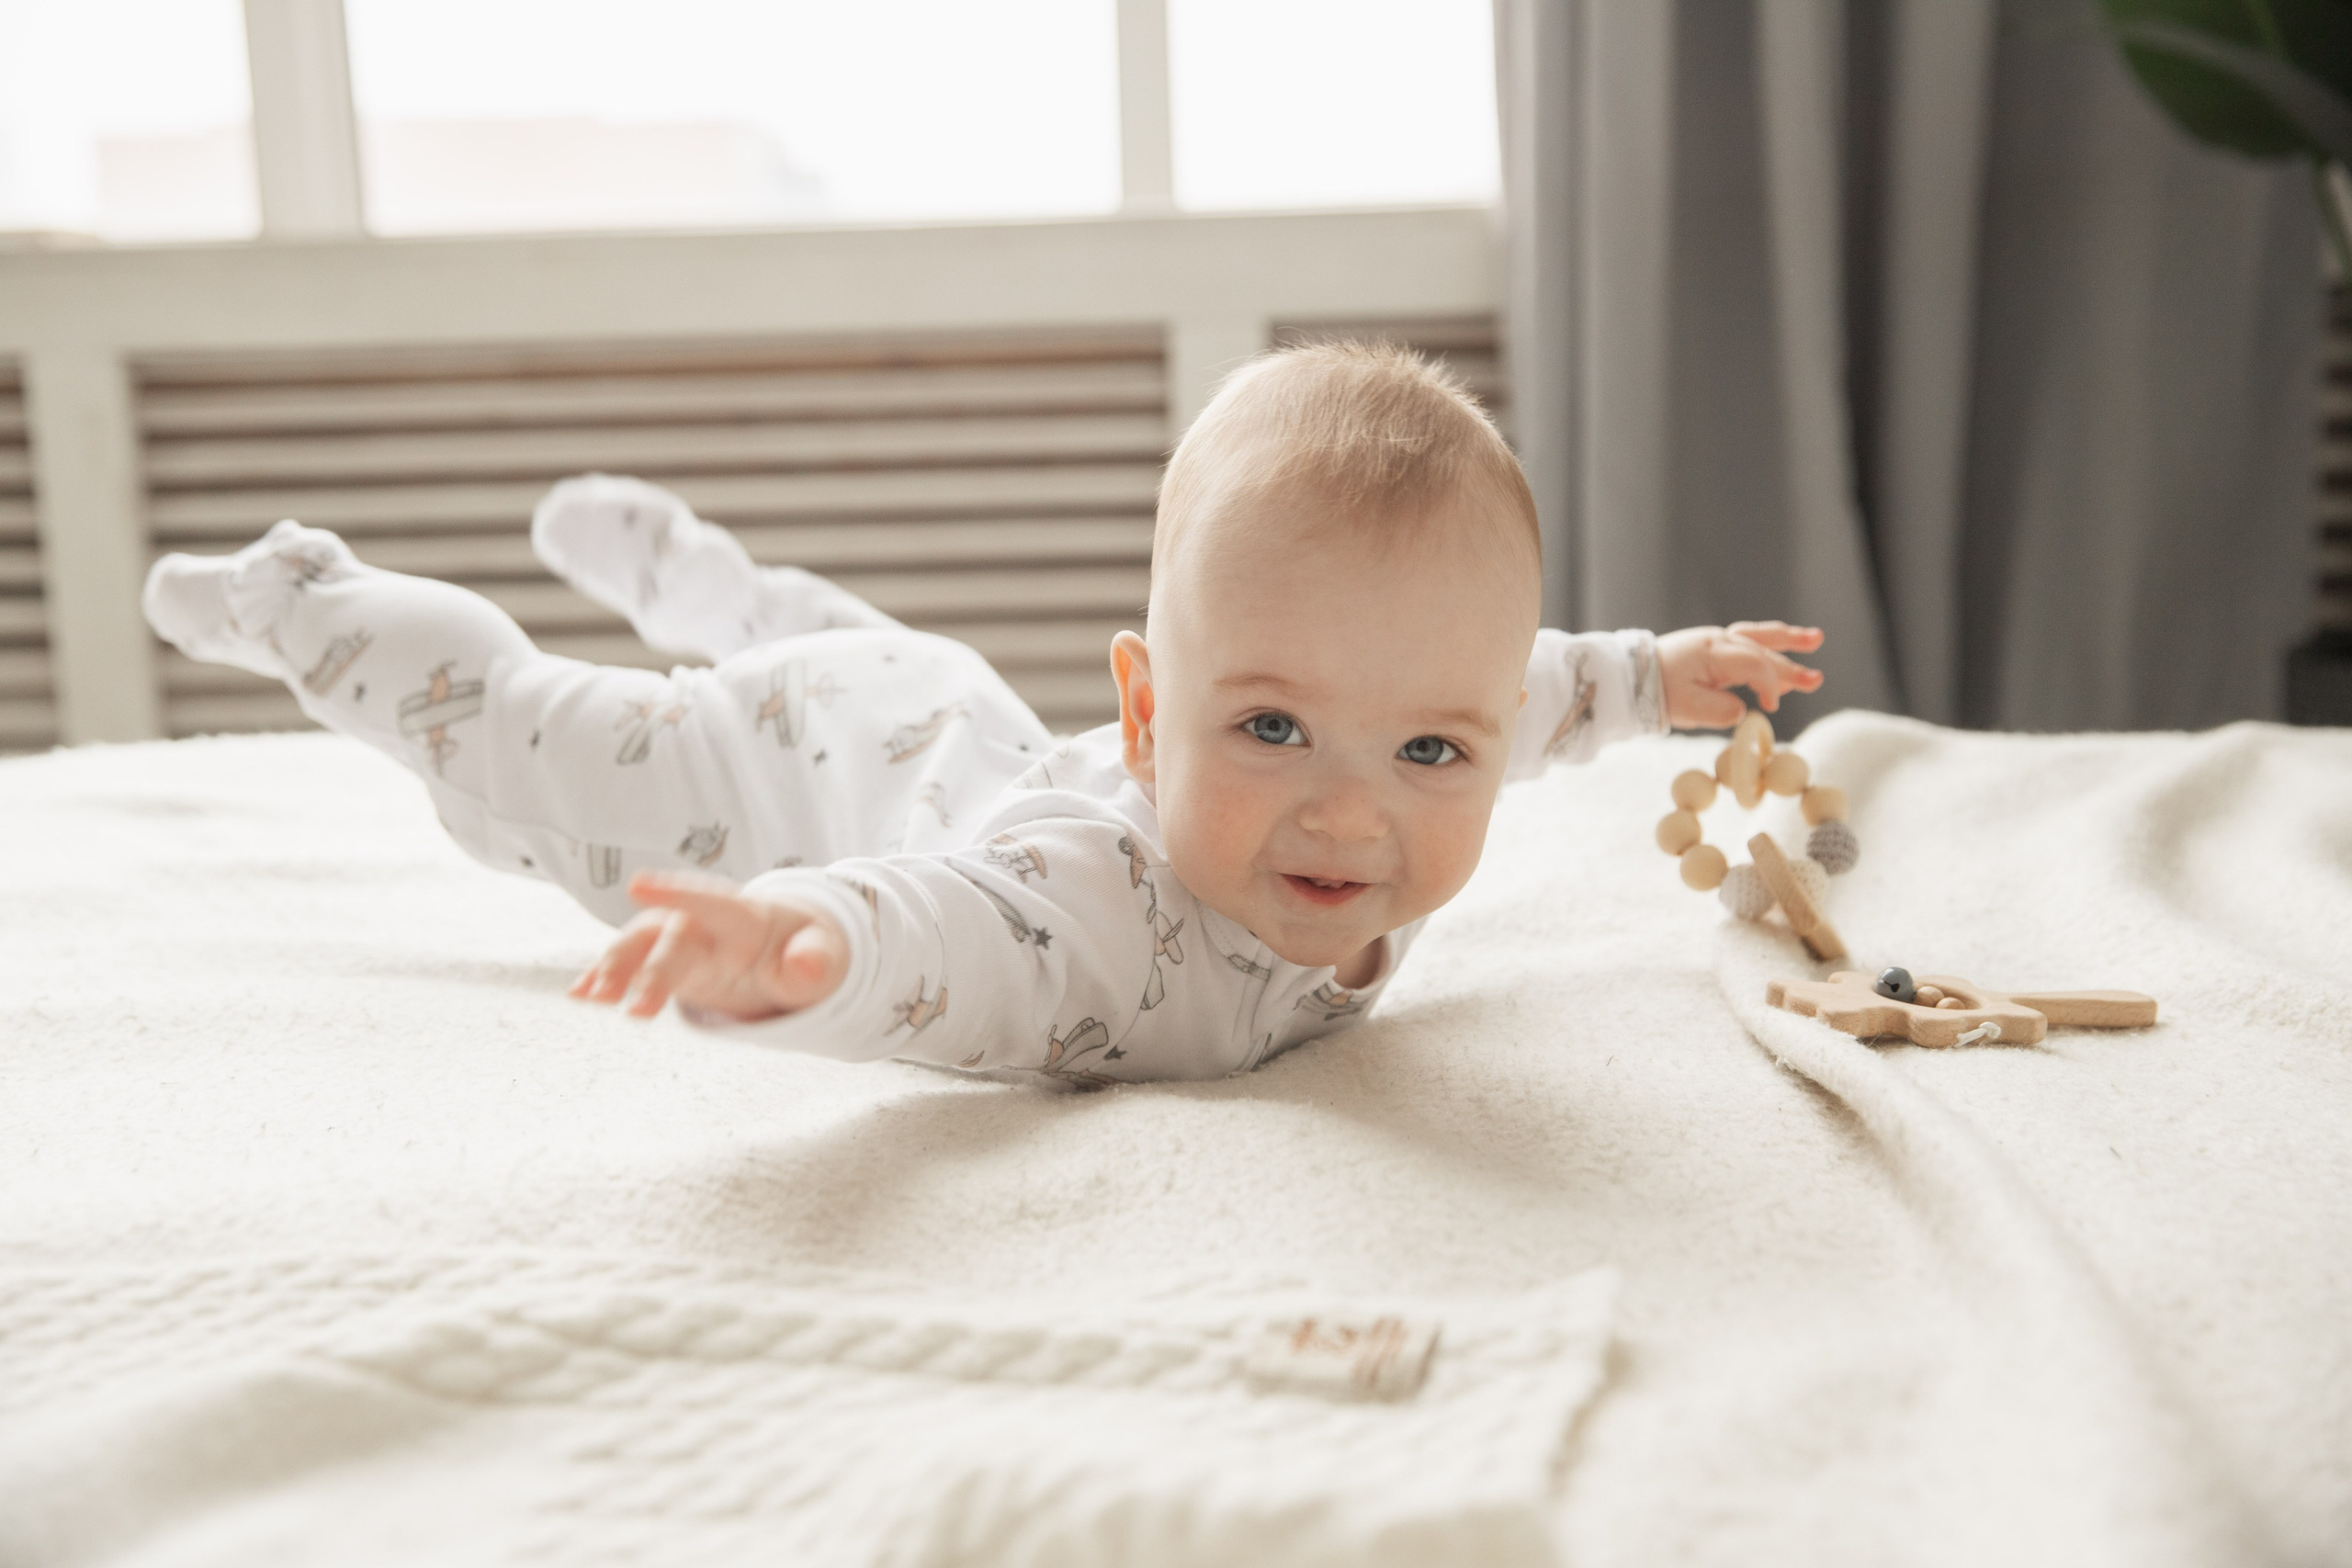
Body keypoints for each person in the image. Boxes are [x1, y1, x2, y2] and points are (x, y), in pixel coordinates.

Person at [142, 341, 1823, 1088]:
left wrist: (1645, 677)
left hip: (922, 714)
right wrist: (796, 947)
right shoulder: (1110, 917)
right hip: (777, 792)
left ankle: (701, 579)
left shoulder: (1395, 725)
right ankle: (306, 603)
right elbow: (942, 933)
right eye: (1270, 734)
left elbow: (1506, 687)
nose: (1352, 814)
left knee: (839, 658)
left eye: (1427, 756)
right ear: (1148, 717)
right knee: (525, 736)